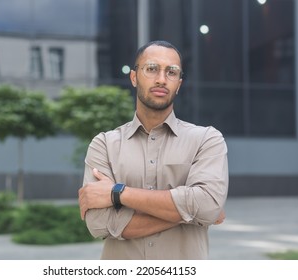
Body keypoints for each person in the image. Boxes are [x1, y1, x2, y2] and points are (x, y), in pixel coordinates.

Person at [78, 40, 228, 260]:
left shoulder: (206, 140)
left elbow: (207, 206)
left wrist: (117, 193)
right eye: (151, 69)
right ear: (133, 77)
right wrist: (191, 212)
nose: (161, 79)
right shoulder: (104, 145)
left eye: (171, 72)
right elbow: (99, 224)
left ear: (179, 83)